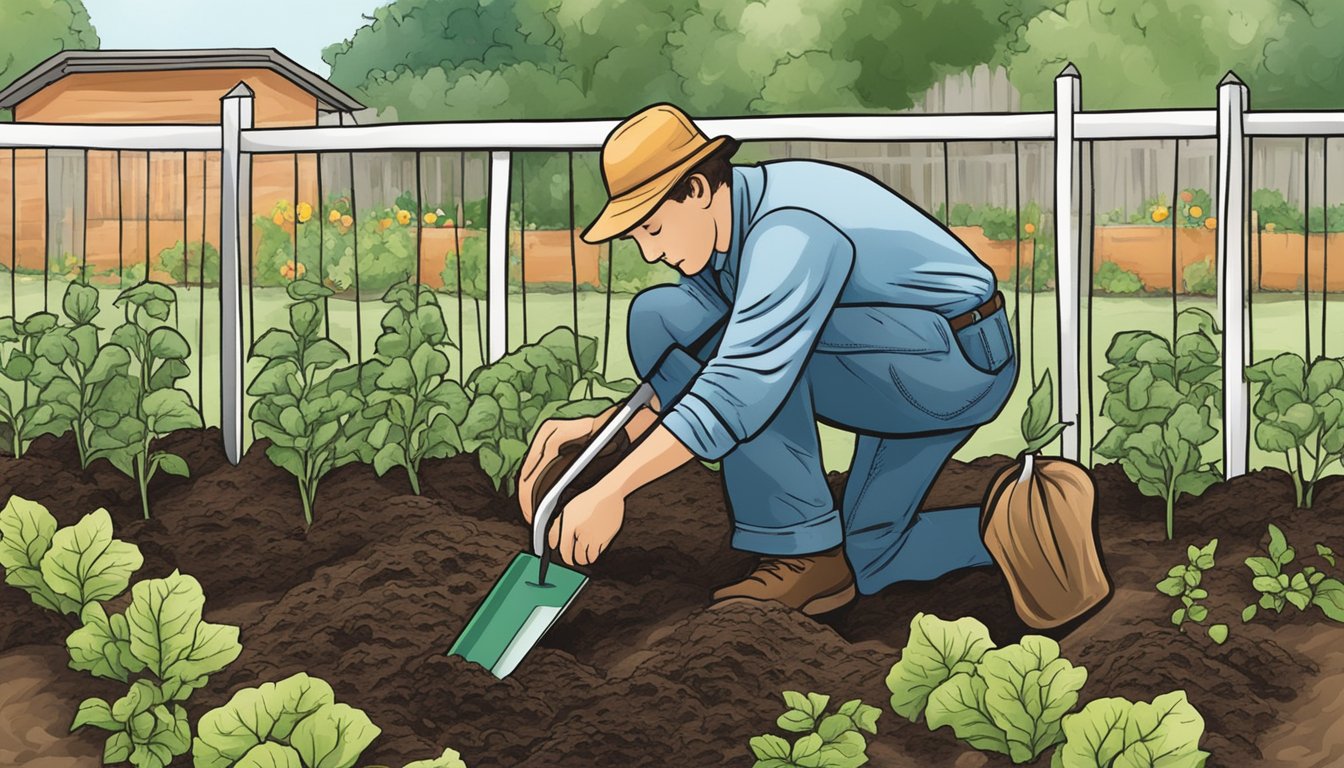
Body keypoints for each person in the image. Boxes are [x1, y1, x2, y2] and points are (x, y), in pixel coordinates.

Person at [518, 103, 1017, 615]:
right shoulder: (729, 231)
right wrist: (611, 433)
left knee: (757, 357)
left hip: (953, 364)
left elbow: (741, 380)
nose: (648, 253)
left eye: (654, 229)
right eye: (638, 236)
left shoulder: (788, 231)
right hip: (897, 354)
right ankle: (1019, 523)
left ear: (696, 189)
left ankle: (802, 554)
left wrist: (613, 490)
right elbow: (688, 364)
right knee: (873, 551)